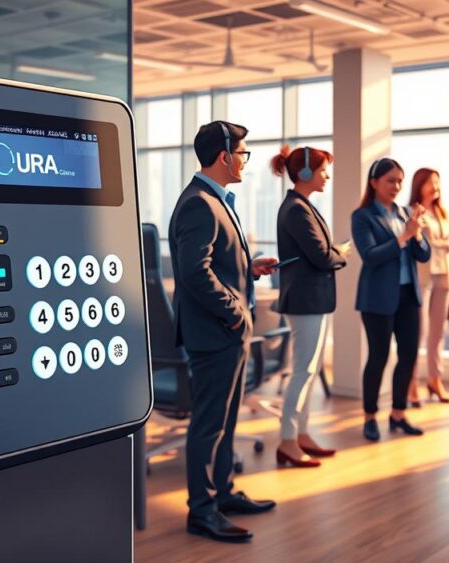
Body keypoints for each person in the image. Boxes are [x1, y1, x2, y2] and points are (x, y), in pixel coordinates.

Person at [169, 120, 279, 543]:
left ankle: (224, 494)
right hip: (215, 332)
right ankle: (202, 510)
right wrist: (234, 312)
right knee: (209, 425)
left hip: (226, 331)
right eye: (243, 154)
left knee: (227, 420)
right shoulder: (199, 203)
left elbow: (213, 262)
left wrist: (248, 268)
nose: (245, 161)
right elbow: (194, 272)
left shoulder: (215, 199)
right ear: (224, 156)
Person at [271, 145, 350, 468]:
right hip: (306, 300)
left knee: (310, 370)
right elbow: (320, 256)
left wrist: (332, 251)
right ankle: (288, 440)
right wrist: (340, 252)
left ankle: (301, 435)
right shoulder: (296, 210)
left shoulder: (302, 205)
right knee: (303, 371)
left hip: (313, 299)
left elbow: (317, 252)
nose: (327, 176)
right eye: (323, 170)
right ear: (305, 173)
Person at [351, 157, 431, 441]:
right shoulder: (362, 216)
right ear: (374, 183)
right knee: (379, 356)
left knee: (408, 355)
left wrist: (416, 235)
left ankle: (398, 414)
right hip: (377, 298)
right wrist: (403, 237)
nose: (396, 186)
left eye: (399, 181)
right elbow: (370, 256)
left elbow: (424, 255)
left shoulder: (404, 213)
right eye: (390, 181)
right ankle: (370, 416)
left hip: (408, 295)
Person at [407, 168, 449, 407]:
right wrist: (441, 244)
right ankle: (411, 382)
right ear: (419, 185)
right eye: (430, 183)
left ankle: (435, 379)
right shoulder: (413, 212)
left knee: (438, 333)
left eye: (437, 182)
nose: (435, 187)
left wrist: (440, 244)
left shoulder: (443, 212)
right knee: (418, 333)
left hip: (444, 275)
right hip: (423, 276)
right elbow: (417, 243)